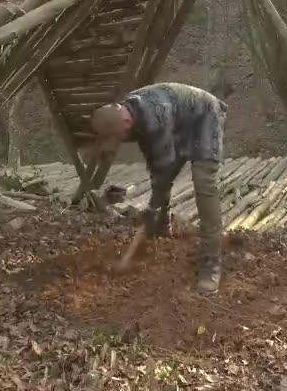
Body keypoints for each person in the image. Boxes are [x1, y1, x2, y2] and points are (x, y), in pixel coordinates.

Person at [90, 82, 227, 294]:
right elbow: (155, 160)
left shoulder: (153, 117)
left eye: (118, 136)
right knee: (161, 177)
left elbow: (164, 167)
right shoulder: (131, 112)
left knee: (204, 183)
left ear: (126, 122)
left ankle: (211, 262)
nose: (119, 141)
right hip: (178, 122)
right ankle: (161, 228)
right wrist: (154, 206)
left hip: (205, 116)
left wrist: (152, 206)